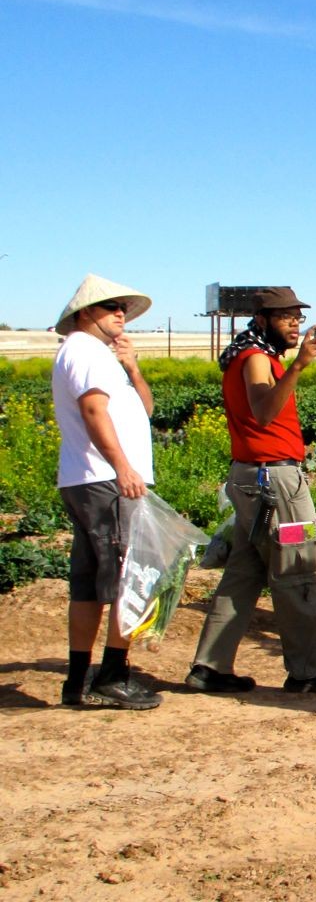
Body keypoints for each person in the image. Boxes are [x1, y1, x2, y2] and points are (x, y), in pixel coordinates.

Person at [187, 287, 316, 695]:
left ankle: (209, 667)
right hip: (274, 484)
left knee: (244, 572)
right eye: (286, 317)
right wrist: (299, 367)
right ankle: (307, 672)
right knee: (299, 569)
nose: (295, 323)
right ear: (262, 320)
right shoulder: (257, 360)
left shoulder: (248, 356)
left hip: (252, 478)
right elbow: (263, 413)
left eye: (297, 316)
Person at [52, 274, 161, 709]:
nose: (120, 313)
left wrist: (132, 367)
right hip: (106, 481)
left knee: (87, 584)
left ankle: (77, 680)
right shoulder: (86, 353)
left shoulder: (94, 356)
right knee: (126, 576)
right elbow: (94, 411)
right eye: (110, 306)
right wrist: (123, 468)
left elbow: (144, 410)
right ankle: (112, 677)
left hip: (88, 479)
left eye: (122, 307)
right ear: (84, 314)